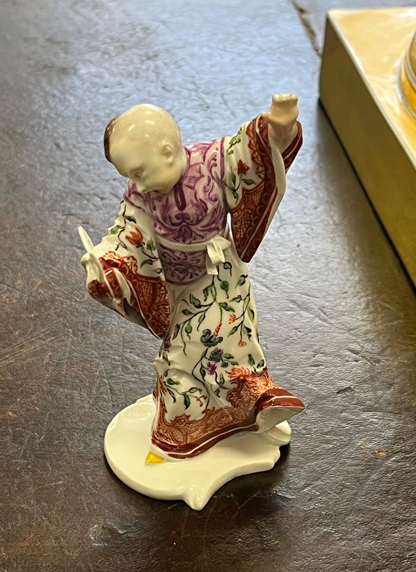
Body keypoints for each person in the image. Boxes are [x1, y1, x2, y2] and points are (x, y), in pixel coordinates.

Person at [80, 95, 305, 459]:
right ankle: (221, 417)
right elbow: (125, 235)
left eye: (139, 172)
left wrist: (278, 126)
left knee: (200, 351)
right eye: (130, 176)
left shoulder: (215, 161)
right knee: (189, 354)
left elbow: (253, 149)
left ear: (168, 152)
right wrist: (106, 264)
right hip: (178, 287)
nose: (137, 184)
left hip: (222, 279)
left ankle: (216, 419)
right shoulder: (140, 194)